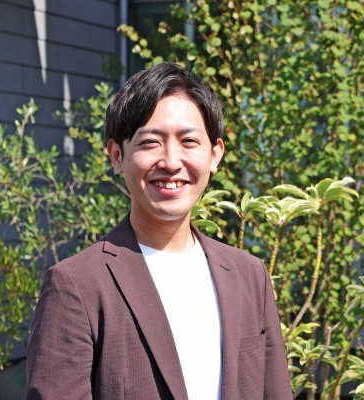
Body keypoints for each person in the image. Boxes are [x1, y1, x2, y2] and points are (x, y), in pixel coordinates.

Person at [26, 62, 292, 400]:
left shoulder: (249, 275)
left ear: (215, 155)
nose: (171, 161)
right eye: (151, 142)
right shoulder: (77, 285)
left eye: (189, 141)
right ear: (117, 155)